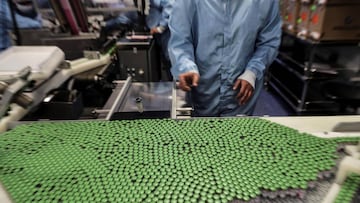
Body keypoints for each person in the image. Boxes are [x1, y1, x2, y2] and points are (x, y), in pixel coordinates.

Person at [168, 0, 282, 117]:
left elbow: (269, 41)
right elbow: (180, 40)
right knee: (202, 132)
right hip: (202, 90)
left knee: (239, 133)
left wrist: (252, 72)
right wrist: (186, 66)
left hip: (241, 95)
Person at [146, 0, 174, 80]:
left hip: (166, 31)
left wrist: (161, 27)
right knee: (166, 61)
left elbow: (170, 5)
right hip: (160, 32)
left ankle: (176, 88)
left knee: (171, 60)